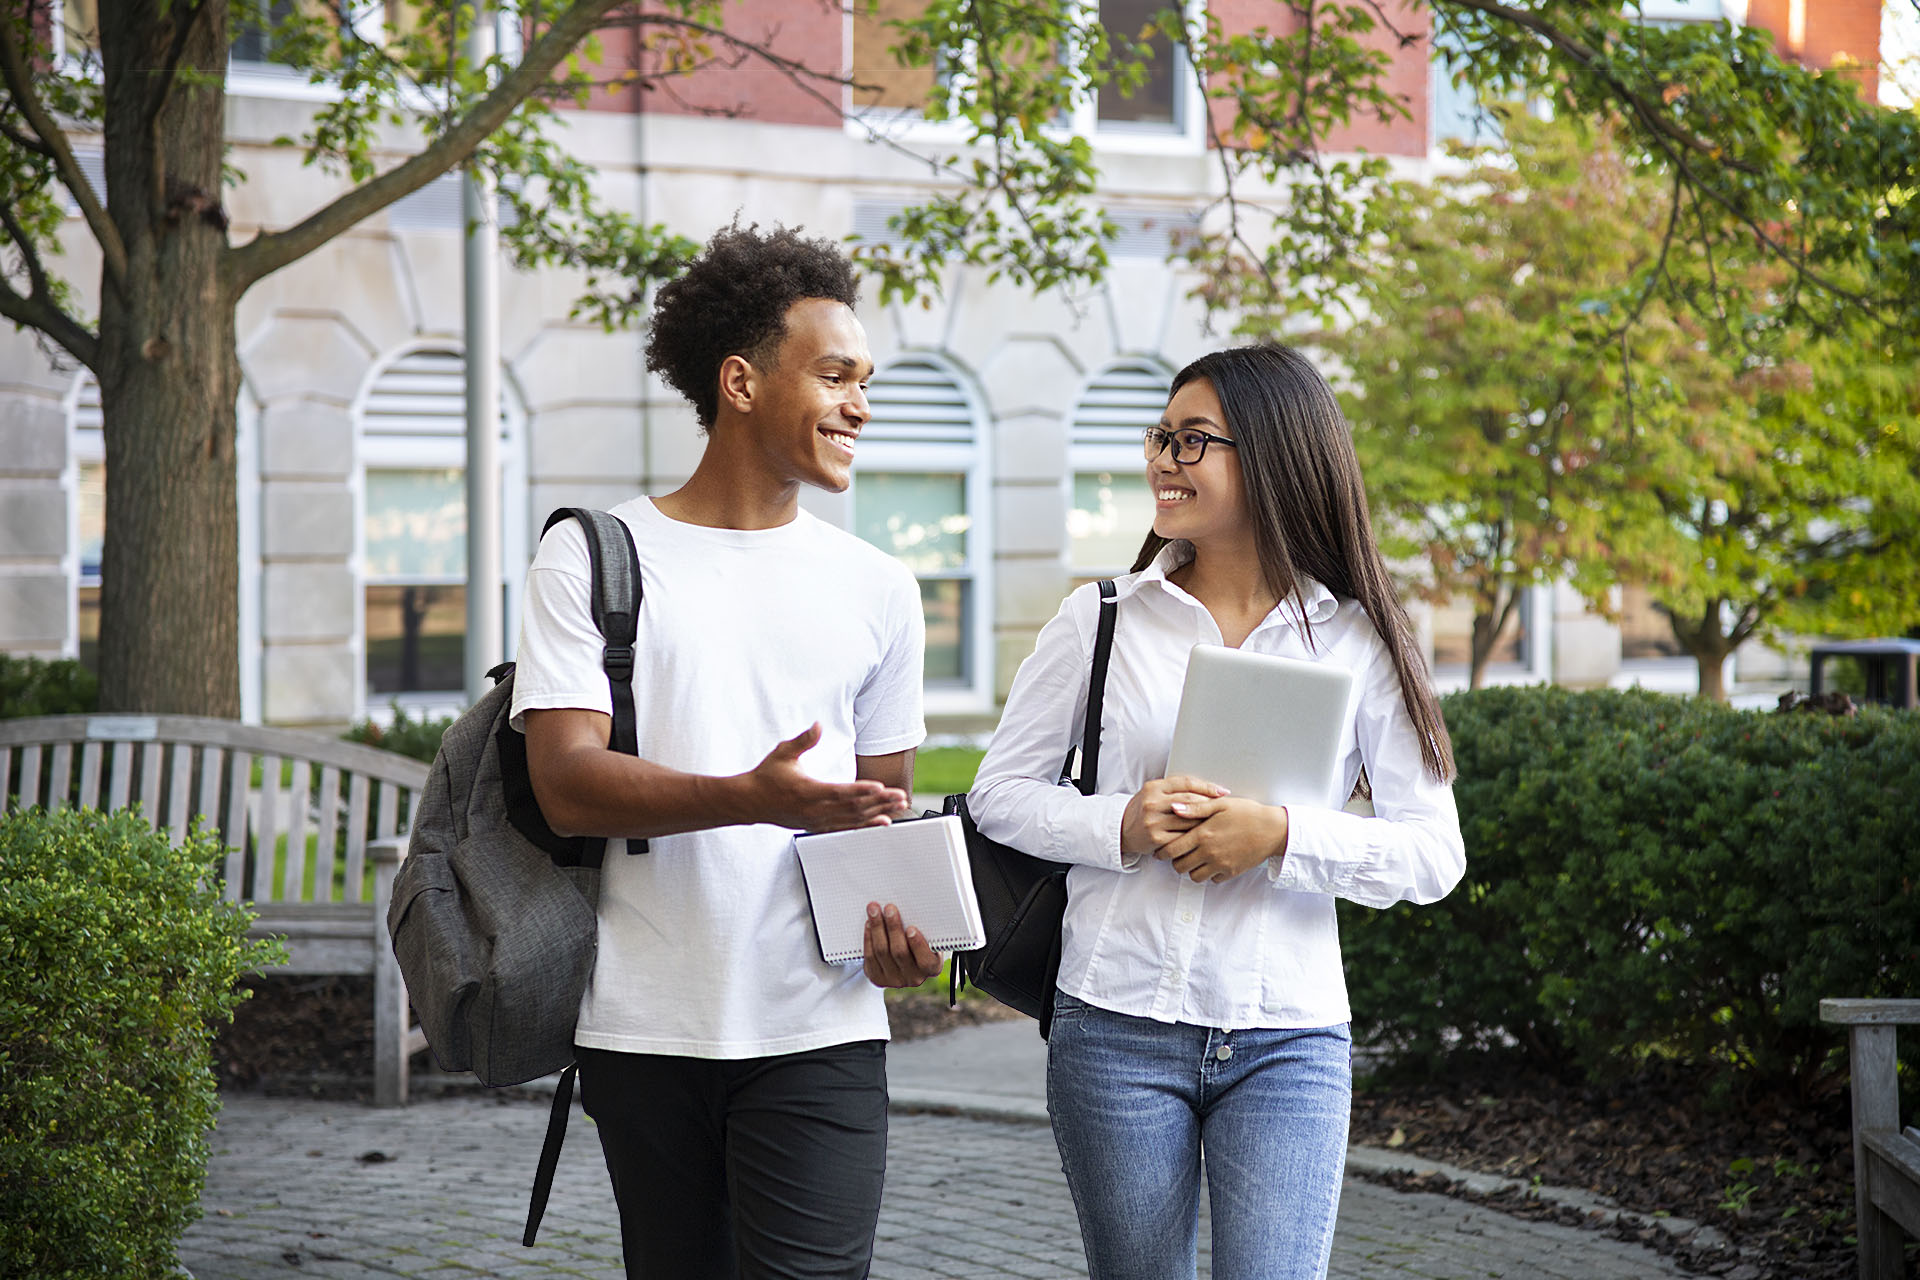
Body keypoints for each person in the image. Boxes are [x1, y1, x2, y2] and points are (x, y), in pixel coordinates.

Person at [968, 343, 1466, 1280]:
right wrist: (1119, 826)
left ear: (1275, 454)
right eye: (1161, 435)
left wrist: (1281, 836)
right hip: (1113, 1024)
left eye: (1193, 440)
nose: (1164, 458)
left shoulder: (1358, 638)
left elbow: (1434, 855)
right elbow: (1000, 795)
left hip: (1289, 1036)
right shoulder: (1102, 617)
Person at [511, 222, 945, 1279]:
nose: (861, 404)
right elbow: (567, 784)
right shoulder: (594, 554)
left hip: (822, 1026)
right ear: (741, 381)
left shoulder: (880, 586)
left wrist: (898, 932)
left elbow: (877, 812)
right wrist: (752, 794)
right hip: (646, 1028)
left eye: (865, 378)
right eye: (835, 374)